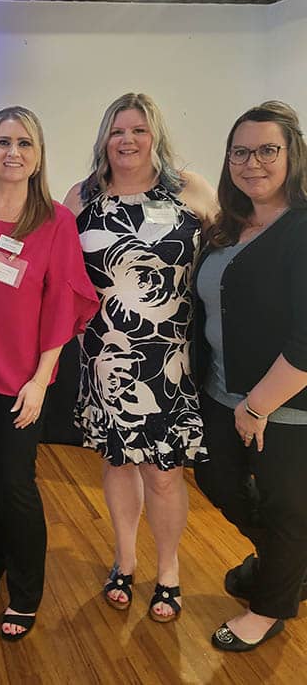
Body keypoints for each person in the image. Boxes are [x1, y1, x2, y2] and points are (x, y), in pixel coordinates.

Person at [0, 105, 99, 640]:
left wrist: (41, 379)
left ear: (38, 157)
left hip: (21, 380)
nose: (13, 152)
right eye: (3, 141)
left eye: (25, 144)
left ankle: (27, 591)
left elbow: (64, 301)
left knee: (16, 484)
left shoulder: (54, 221)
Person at [64, 92, 217, 622]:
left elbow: (229, 262)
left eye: (138, 130)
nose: (127, 141)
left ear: (155, 137)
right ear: (104, 139)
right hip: (105, 355)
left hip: (170, 360)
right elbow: (55, 271)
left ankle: (169, 569)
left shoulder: (191, 191)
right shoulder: (81, 196)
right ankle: (125, 560)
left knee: (165, 472)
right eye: (117, 131)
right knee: (117, 462)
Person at [193, 100, 307, 651]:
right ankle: (289, 562)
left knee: (287, 504)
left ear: (292, 156)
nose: (252, 162)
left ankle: (270, 606)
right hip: (219, 390)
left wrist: (259, 405)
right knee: (217, 480)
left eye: (267, 150)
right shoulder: (228, 227)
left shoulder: (302, 229)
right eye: (241, 151)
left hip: (283, 402)